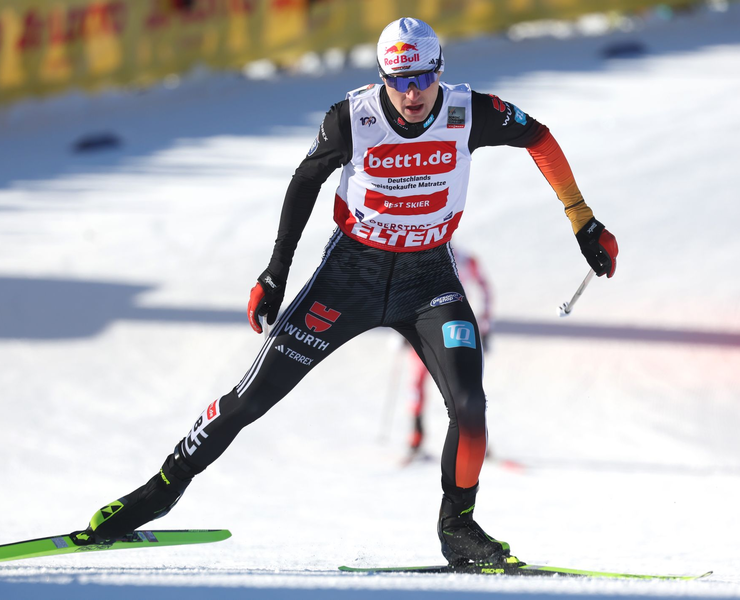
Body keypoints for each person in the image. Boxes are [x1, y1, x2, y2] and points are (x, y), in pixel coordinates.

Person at [71, 17, 618, 567]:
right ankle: (156, 493)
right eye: (397, 80)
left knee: (470, 407)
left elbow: (539, 138)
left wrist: (583, 220)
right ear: (381, 76)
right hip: (350, 276)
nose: (409, 93)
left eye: (421, 79)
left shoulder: (467, 110)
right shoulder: (352, 117)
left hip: (428, 278)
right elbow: (304, 182)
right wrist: (274, 274)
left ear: (439, 71)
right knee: (251, 398)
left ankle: (459, 530)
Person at [405, 251, 492, 459]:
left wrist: (485, 325)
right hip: (427, 328)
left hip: (453, 328)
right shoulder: (422, 258)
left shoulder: (465, 259)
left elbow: (485, 289)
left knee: (462, 384)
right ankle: (416, 438)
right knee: (418, 383)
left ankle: (475, 438)